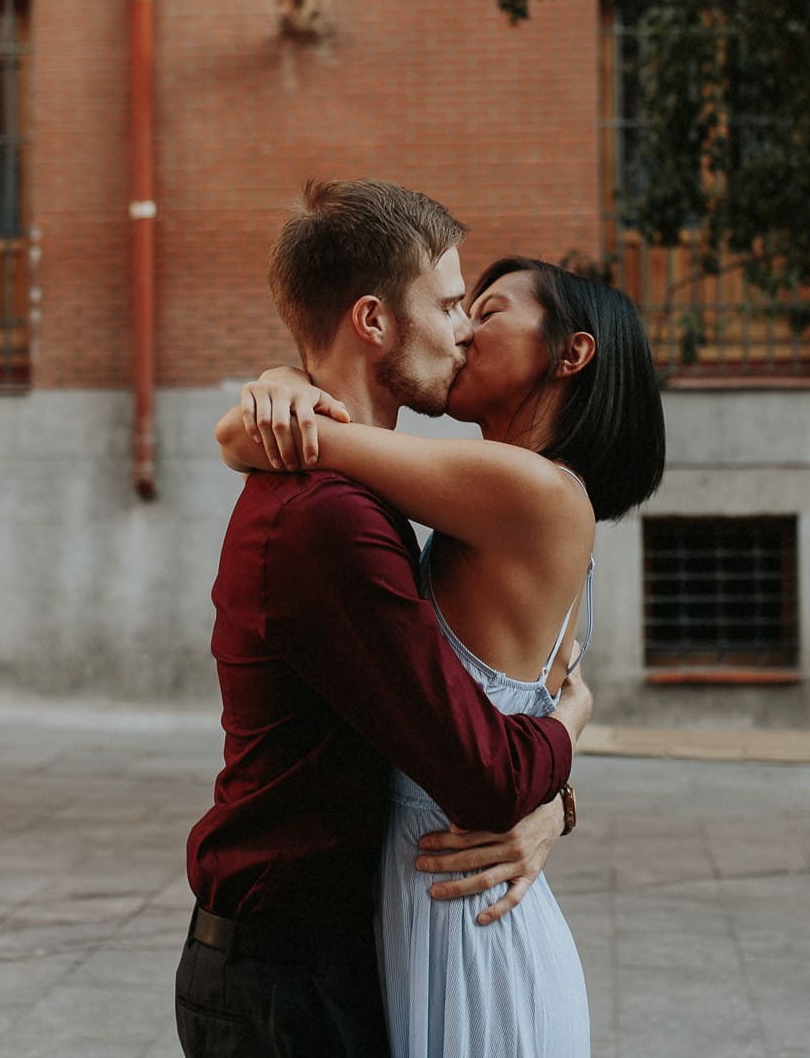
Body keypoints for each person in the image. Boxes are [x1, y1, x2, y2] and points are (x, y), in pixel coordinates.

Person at [177, 181, 592, 1058]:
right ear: (372, 321)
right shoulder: (331, 518)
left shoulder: (349, 489)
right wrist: (572, 724)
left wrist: (556, 803)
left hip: (316, 961)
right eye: (448, 304)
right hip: (287, 984)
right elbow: (480, 771)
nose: (463, 330)